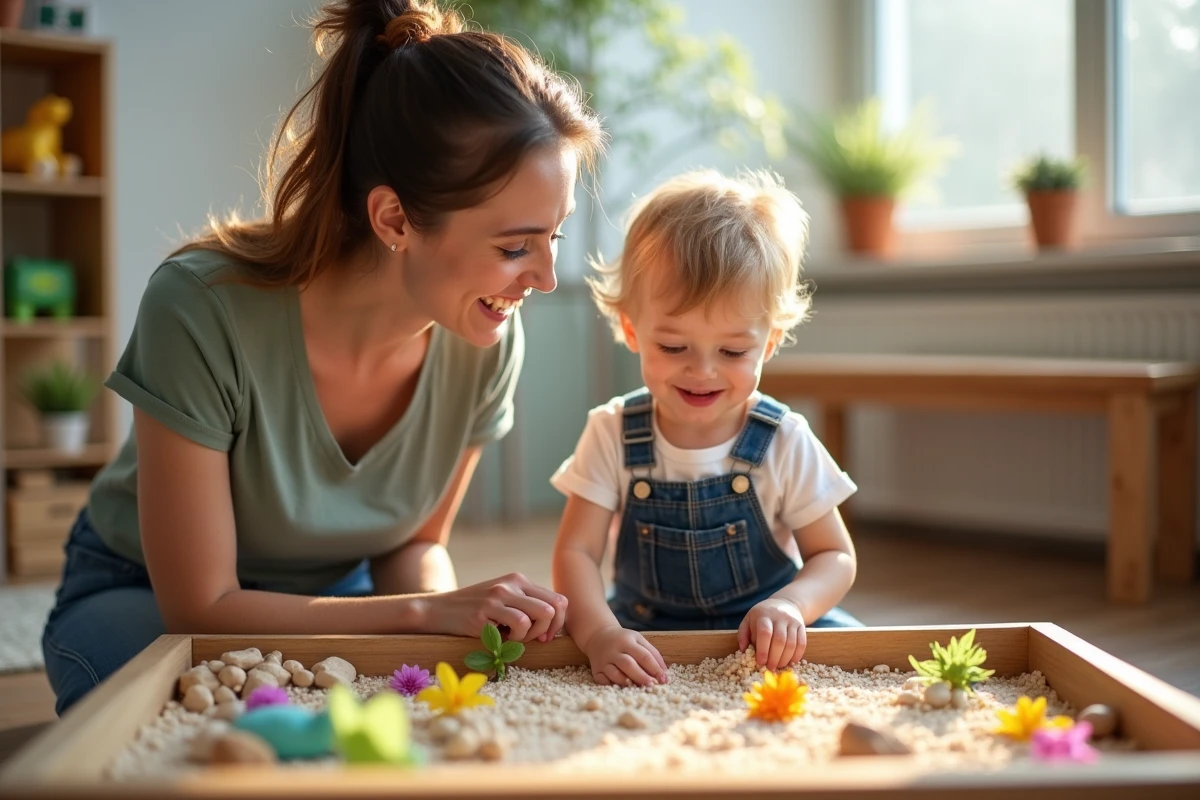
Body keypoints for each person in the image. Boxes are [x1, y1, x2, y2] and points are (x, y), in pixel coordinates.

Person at [41, 0, 606, 716]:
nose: (544, 279)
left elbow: (413, 548)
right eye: (513, 247)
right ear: (395, 218)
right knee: (215, 732)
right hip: (144, 593)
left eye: (552, 239)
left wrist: (459, 616)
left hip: (343, 598)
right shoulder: (200, 307)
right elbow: (201, 606)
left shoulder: (485, 336)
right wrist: (416, 617)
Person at [550, 168, 861, 688]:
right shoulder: (611, 432)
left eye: (733, 351)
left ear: (769, 341)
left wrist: (791, 605)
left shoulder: (783, 438)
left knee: (866, 658)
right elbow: (577, 552)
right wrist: (600, 634)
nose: (703, 370)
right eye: (673, 347)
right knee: (559, 657)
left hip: (766, 634)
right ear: (631, 328)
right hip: (642, 631)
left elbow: (835, 556)